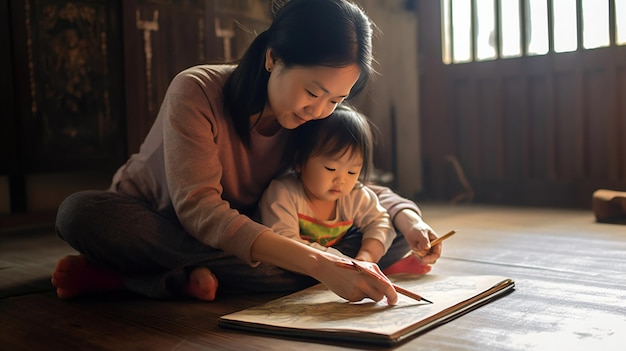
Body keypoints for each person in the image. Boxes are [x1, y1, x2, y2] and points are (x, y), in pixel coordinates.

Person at [51, 0, 441, 306]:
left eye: (337, 99)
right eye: (312, 92)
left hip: (245, 235)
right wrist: (321, 264)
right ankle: (156, 275)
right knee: (80, 214)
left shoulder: (314, 117)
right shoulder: (197, 90)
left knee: (389, 238)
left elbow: (351, 183)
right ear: (273, 57)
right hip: (160, 224)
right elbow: (200, 211)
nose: (320, 111)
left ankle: (149, 279)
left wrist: (409, 219)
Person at [260, 104, 426, 271]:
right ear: (299, 161)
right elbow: (285, 242)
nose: (341, 180)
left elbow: (379, 221)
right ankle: (379, 268)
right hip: (298, 262)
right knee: (264, 269)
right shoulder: (283, 192)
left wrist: (366, 258)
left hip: (341, 254)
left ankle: (368, 270)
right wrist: (336, 262)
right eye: (330, 168)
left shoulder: (356, 194)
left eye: (352, 171)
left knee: (399, 231)